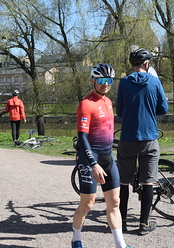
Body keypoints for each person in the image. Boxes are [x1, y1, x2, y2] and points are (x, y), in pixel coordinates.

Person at [71, 64, 130, 248]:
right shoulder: (86, 104)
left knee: (114, 202)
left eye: (110, 81)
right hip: (90, 158)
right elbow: (82, 137)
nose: (106, 84)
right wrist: (93, 164)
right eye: (102, 80)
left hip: (107, 156)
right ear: (93, 81)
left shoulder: (108, 101)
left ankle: (120, 245)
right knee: (88, 204)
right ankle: (76, 238)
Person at [116, 48, 168, 235]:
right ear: (147, 64)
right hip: (149, 138)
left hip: (128, 138)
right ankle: (144, 224)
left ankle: (121, 223)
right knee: (148, 182)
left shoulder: (123, 82)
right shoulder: (155, 81)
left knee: (123, 182)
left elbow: (120, 111)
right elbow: (163, 107)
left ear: (132, 65)